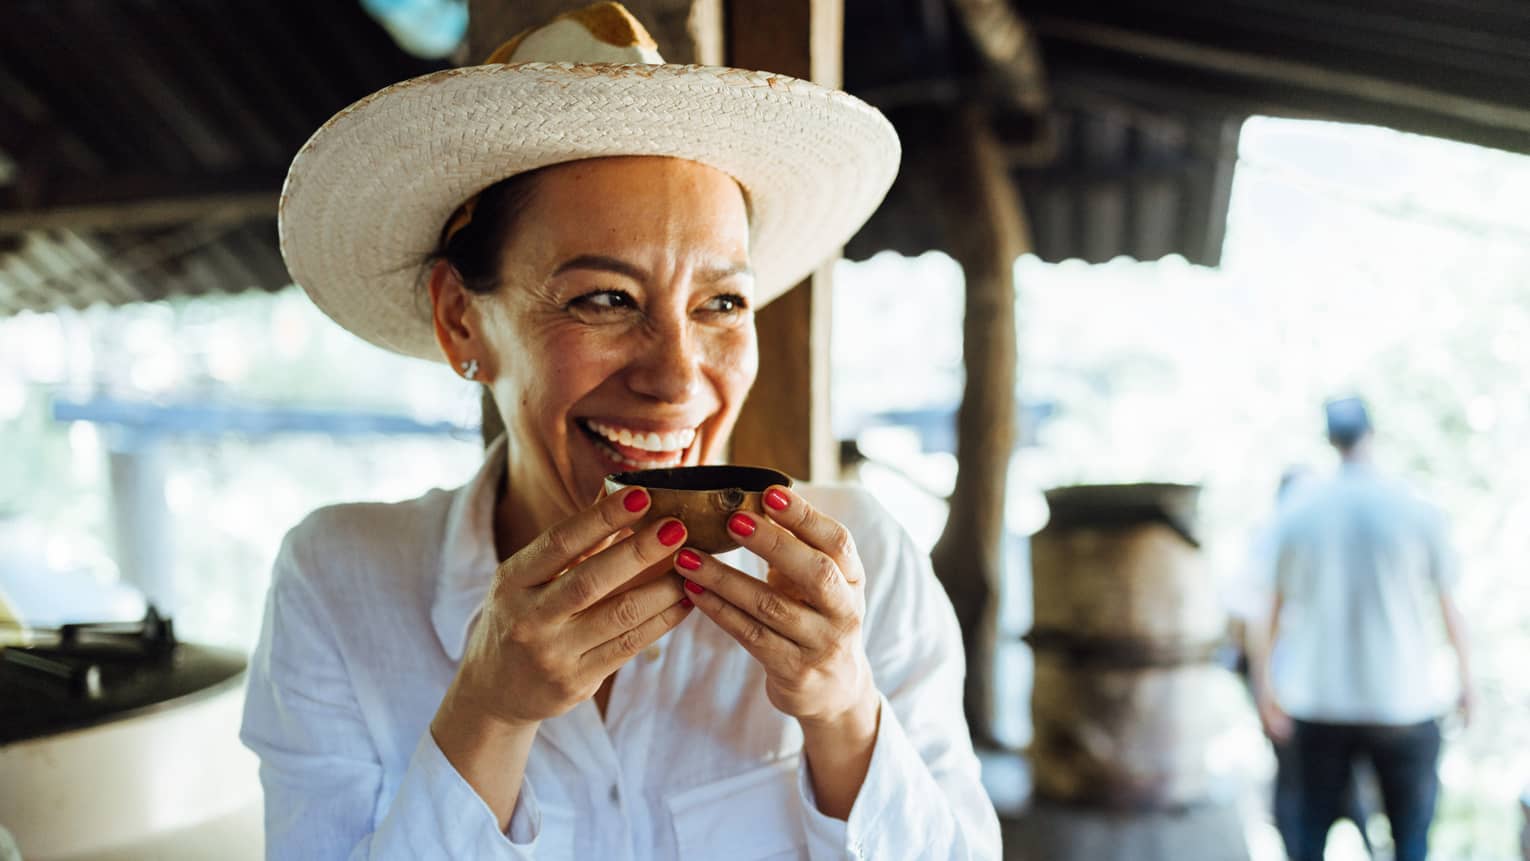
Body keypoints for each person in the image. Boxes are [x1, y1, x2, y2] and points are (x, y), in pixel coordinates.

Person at [239, 3, 1002, 859]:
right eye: (604, 299)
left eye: (721, 303)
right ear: (462, 323)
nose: (677, 378)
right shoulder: (342, 583)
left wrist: (844, 712)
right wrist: (488, 713)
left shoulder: (862, 570)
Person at [1252, 397, 1472, 861]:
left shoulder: (1297, 511)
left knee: (1308, 836)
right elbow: (1450, 606)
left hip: (1318, 702)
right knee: (1410, 841)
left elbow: (1266, 614)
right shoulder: (1415, 507)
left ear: (1329, 439)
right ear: (1371, 435)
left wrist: (1265, 692)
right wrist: (1466, 683)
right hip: (1402, 702)